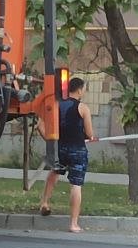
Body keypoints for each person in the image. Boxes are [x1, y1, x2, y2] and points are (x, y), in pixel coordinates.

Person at [38, 76, 96, 232]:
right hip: (78, 150)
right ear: (79, 89)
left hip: (61, 149)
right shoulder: (83, 108)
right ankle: (73, 224)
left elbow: (40, 124)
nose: (84, 91)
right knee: (76, 185)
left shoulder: (57, 105)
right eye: (84, 89)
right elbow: (89, 133)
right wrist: (90, 137)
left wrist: (49, 138)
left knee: (54, 172)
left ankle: (44, 202)